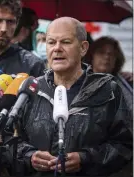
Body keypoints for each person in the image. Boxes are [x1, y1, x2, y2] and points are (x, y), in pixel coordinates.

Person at [15, 17, 133, 177]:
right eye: (51, 42)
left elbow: (125, 145)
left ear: (83, 48)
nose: (57, 48)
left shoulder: (107, 90)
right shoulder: (32, 88)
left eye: (65, 42)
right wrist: (30, 157)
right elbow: (10, 143)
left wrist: (86, 158)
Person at [84, 36, 133, 113]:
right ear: (92, 56)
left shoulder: (126, 82)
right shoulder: (81, 81)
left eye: (111, 54)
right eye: (101, 52)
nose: (107, 57)